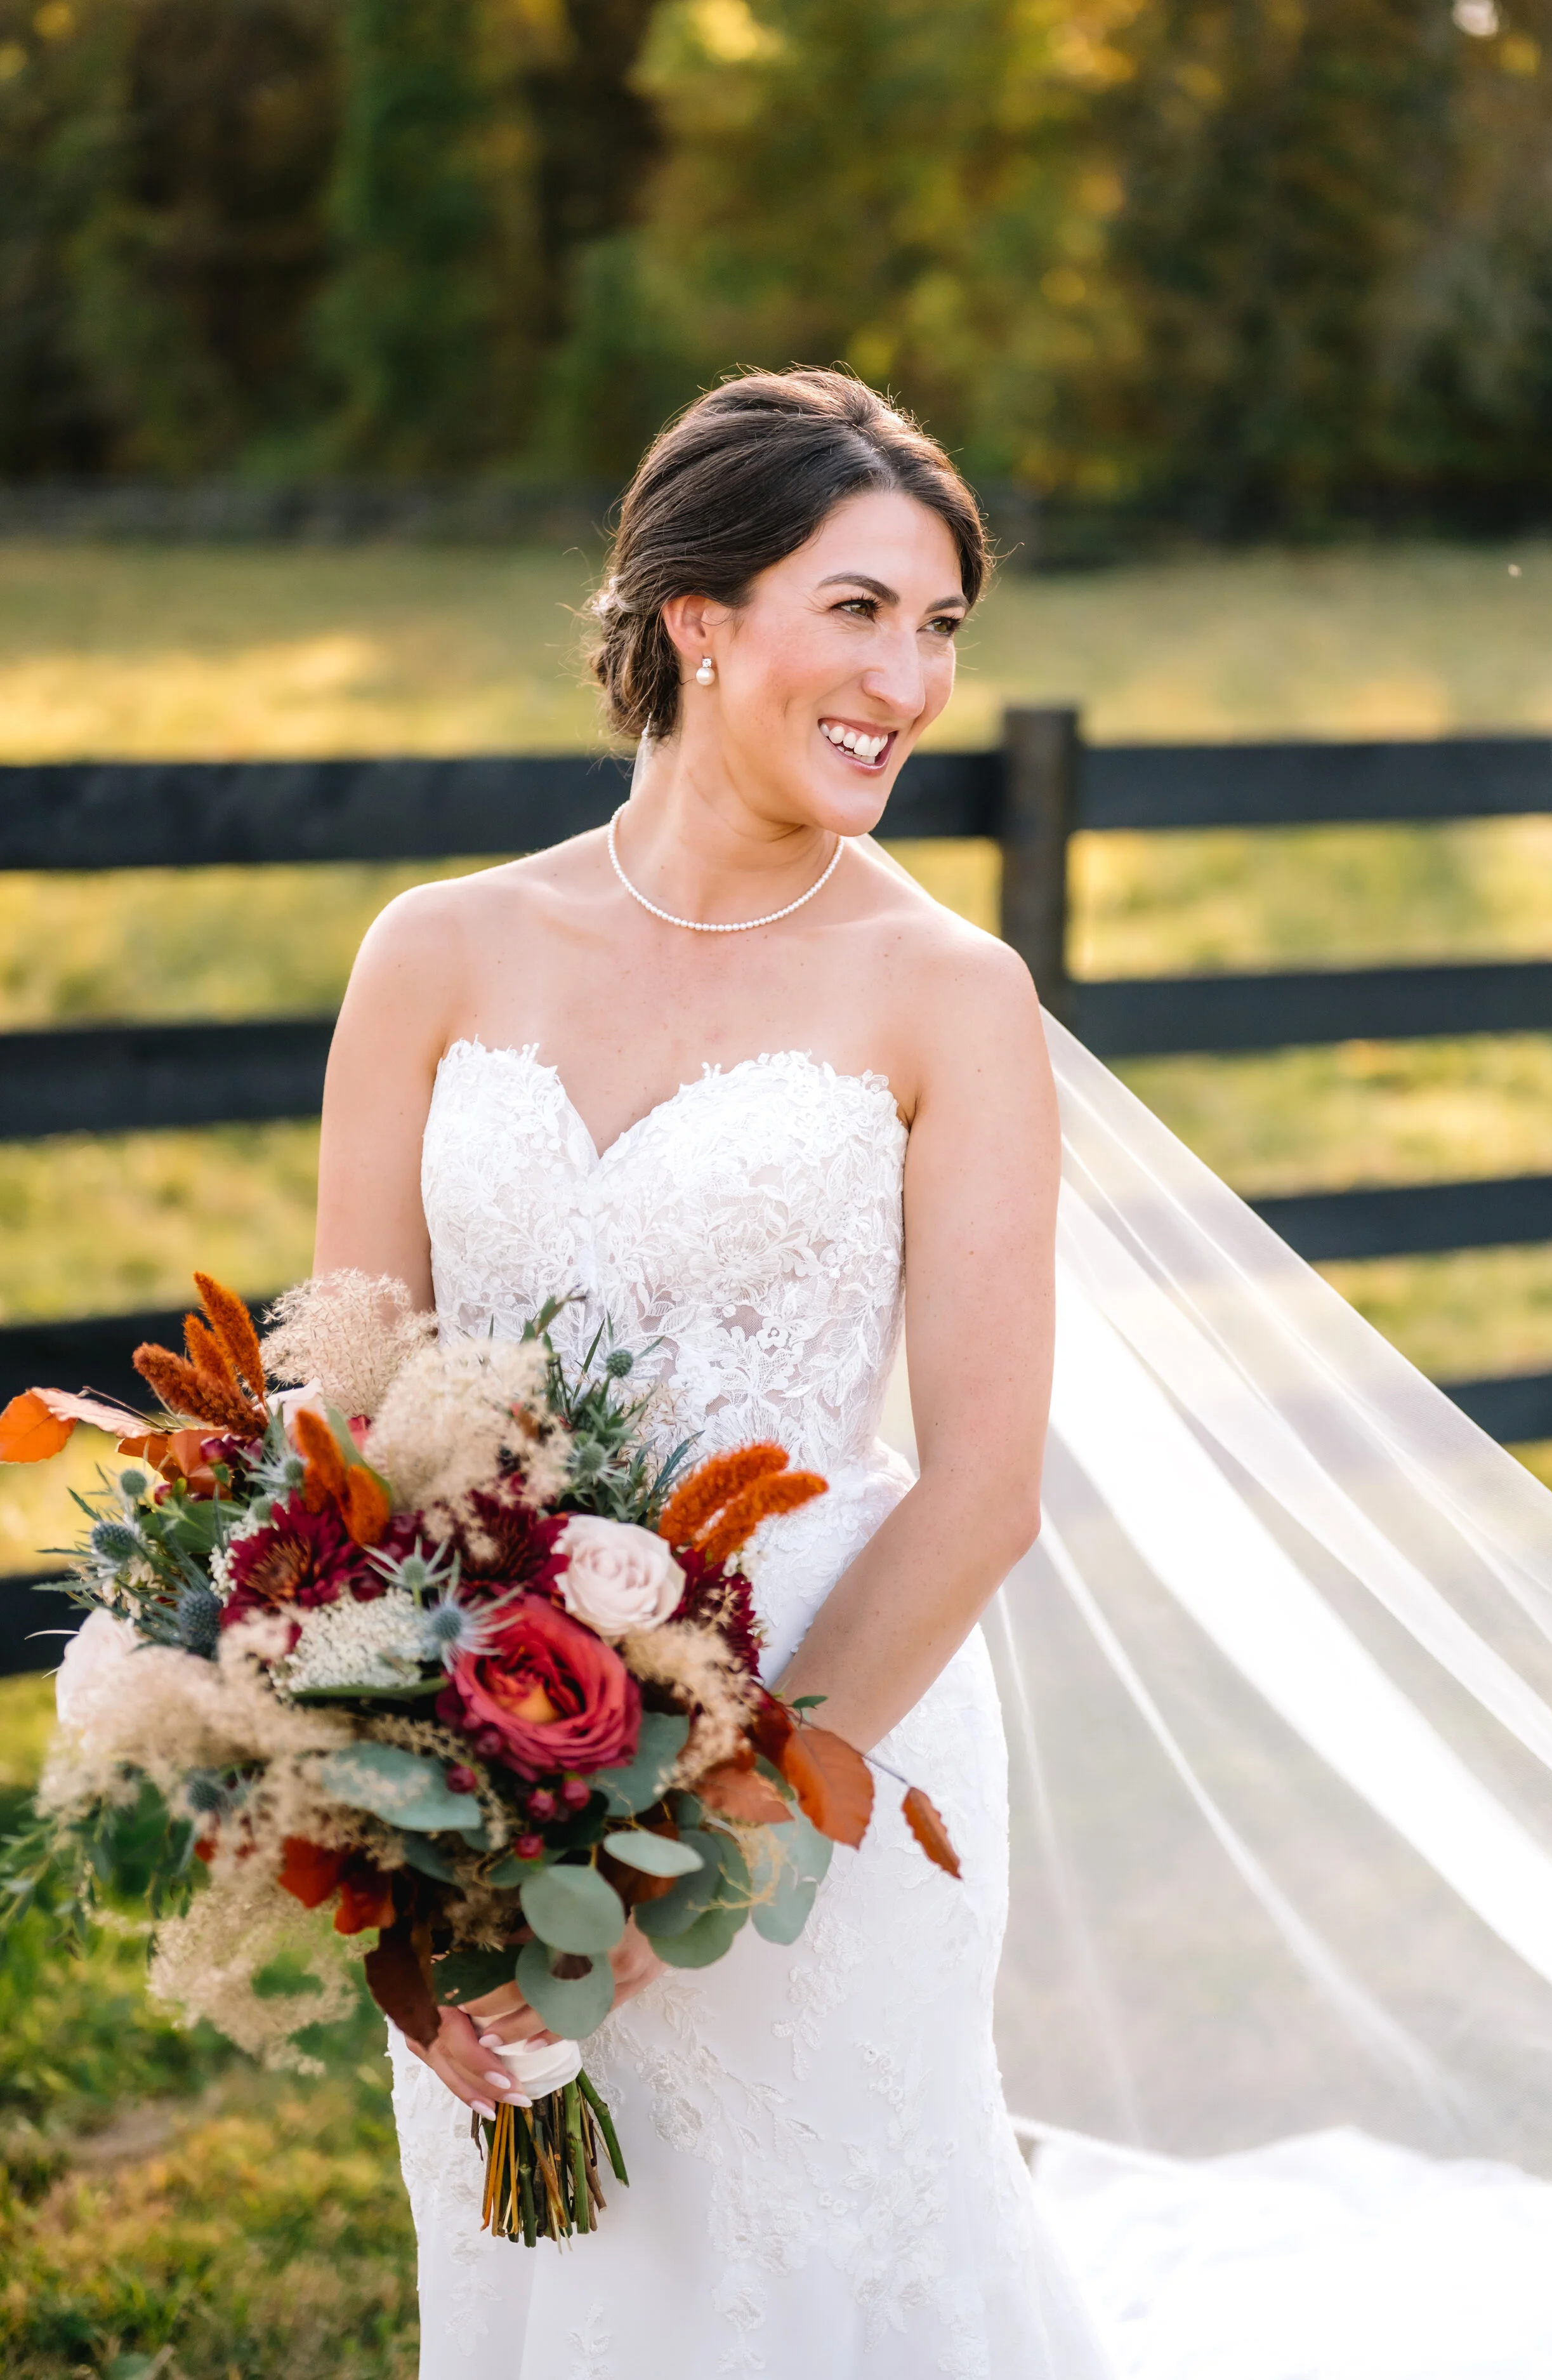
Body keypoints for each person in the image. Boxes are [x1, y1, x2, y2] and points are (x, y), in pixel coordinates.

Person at [314, 367, 1115, 2377]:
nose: (909, 683)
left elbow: (983, 1484)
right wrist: (393, 1853)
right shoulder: (436, 951)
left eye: (938, 628)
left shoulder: (947, 996)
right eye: (857, 609)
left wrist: (696, 1840)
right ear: (695, 618)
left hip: (832, 1748)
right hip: (475, 1759)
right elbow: (339, 1428)